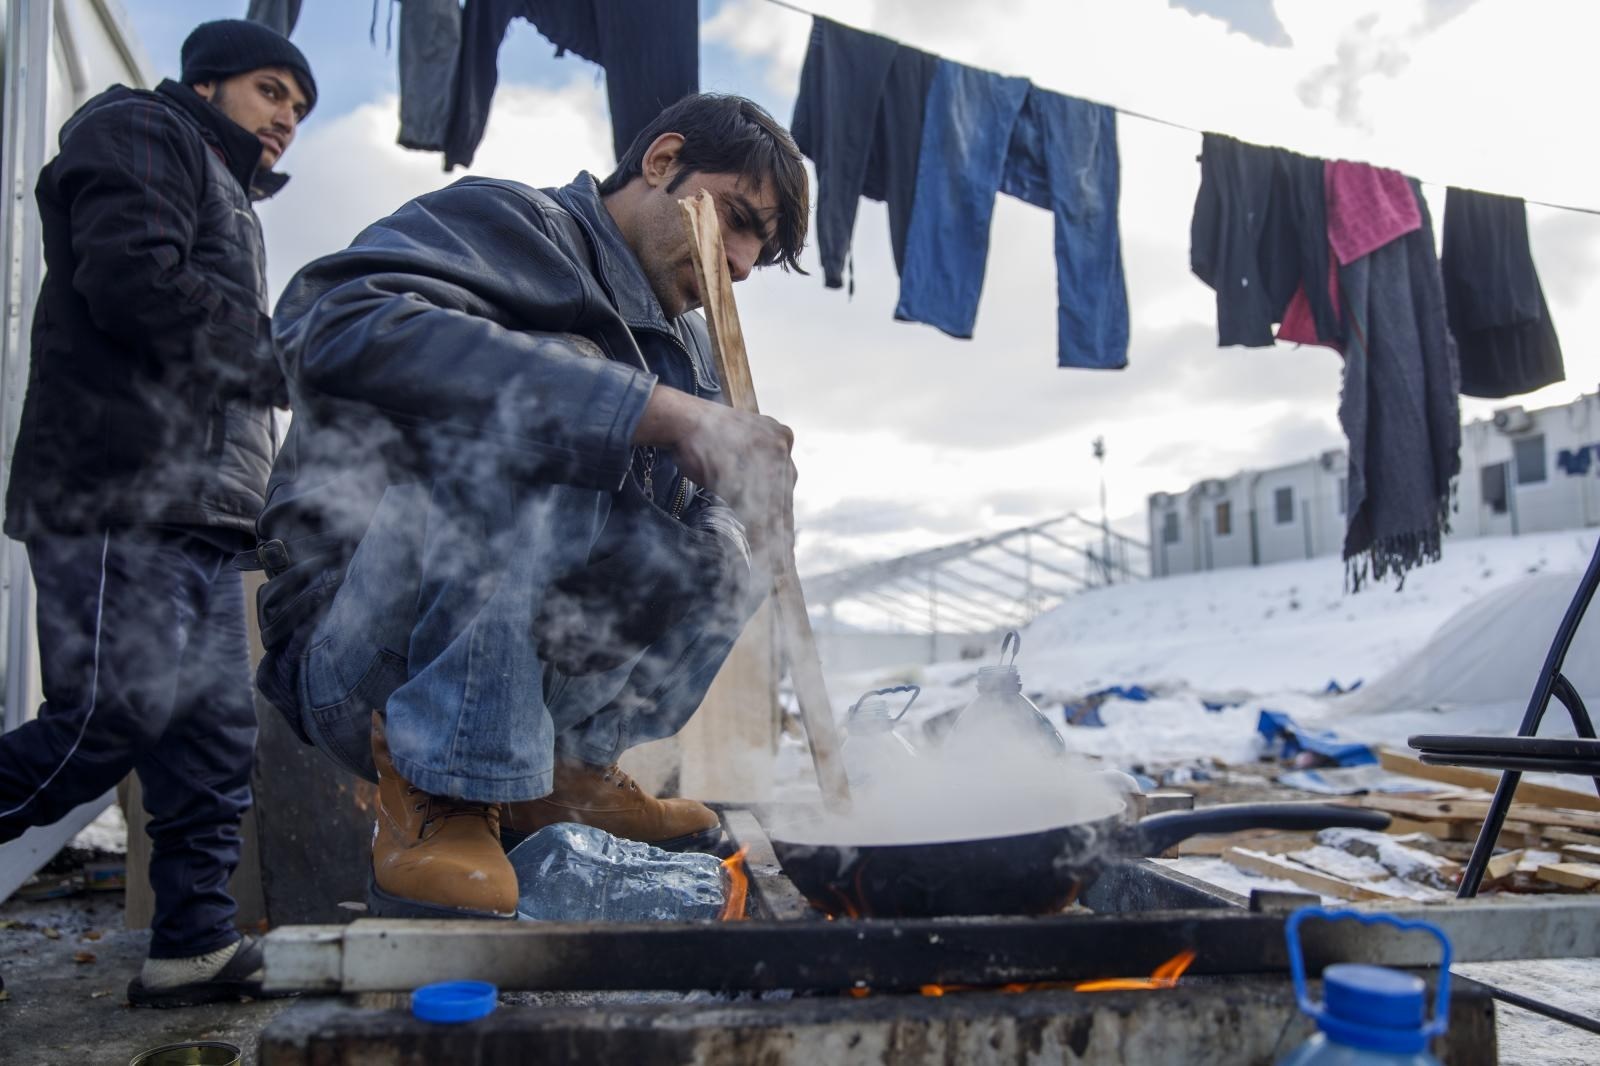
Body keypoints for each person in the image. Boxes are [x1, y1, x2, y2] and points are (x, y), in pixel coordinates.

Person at [249, 93, 808, 920]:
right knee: (547, 415)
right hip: (366, 647)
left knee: (747, 521)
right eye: (735, 220)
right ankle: (442, 789)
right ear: (662, 162)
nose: (739, 265)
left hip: (540, 679)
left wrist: (732, 515)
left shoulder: (691, 340)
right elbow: (326, 325)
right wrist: (653, 411)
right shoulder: (510, 223)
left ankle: (570, 774)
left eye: (758, 249)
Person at [0, 20, 315, 1006]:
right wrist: (288, 362)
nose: (286, 121)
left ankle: (194, 946)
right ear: (209, 83)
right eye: (271, 92)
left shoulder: (237, 201)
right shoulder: (138, 129)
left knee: (213, 734)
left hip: (207, 511)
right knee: (104, 715)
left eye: (300, 112)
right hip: (116, 488)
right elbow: (136, 279)